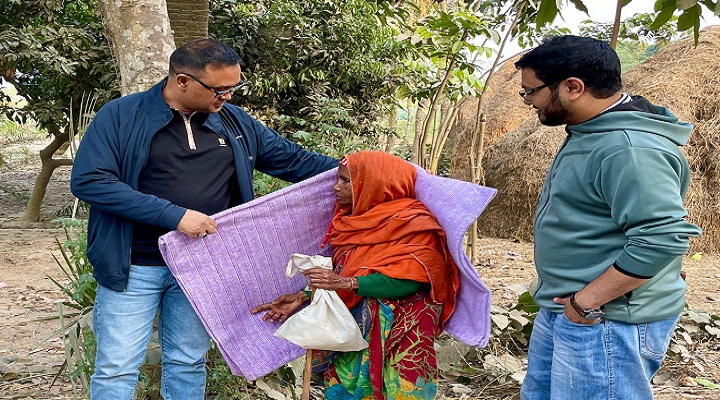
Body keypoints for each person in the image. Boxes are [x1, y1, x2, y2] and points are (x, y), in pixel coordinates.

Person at [70, 38, 337, 400]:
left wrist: (364, 168)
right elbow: (90, 181)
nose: (227, 96)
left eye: (234, 87)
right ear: (182, 81)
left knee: (188, 361)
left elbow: (295, 162)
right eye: (219, 89)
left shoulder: (233, 122)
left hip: (202, 266)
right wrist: (175, 216)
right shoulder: (120, 116)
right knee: (117, 367)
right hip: (133, 264)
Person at [515, 35, 702, 400]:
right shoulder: (590, 134)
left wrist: (585, 301)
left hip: (603, 319)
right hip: (572, 309)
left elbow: (662, 236)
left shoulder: (627, 147)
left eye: (531, 92)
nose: (529, 102)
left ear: (572, 87)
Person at [252, 151, 460, 400]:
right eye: (337, 179)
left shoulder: (413, 222)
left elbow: (414, 276)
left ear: (376, 183)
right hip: (355, 326)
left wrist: (346, 283)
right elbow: (348, 269)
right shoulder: (350, 220)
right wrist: (304, 295)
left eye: (345, 181)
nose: (335, 187)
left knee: (401, 391)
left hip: (403, 329)